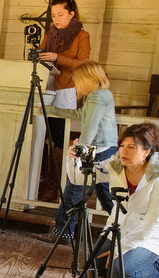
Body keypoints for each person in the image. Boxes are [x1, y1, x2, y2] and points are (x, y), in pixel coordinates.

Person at [71, 122, 159, 278]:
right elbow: (78, 179)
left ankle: (158, 266)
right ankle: (127, 260)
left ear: (146, 151)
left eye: (131, 147)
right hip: (118, 230)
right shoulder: (116, 165)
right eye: (122, 146)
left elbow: (154, 220)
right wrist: (73, 159)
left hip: (148, 237)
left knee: (118, 271)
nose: (124, 151)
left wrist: (121, 250)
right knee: (96, 267)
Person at [41, 60, 118, 241]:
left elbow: (90, 128)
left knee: (73, 192)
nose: (75, 85)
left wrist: (79, 153)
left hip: (96, 150)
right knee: (105, 195)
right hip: (107, 148)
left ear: (86, 79)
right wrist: (49, 109)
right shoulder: (104, 94)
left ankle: (63, 233)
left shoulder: (96, 98)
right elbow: (82, 114)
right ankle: (124, 227)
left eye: (77, 80)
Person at [38, 0, 91, 147]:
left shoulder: (82, 36)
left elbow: (83, 64)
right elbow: (41, 53)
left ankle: (60, 162)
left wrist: (57, 57)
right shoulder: (50, 35)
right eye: (54, 15)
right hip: (46, 87)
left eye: (60, 15)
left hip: (66, 89)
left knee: (59, 133)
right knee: (40, 132)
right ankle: (41, 162)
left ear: (71, 14)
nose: (56, 19)